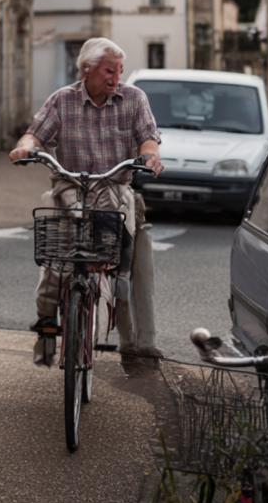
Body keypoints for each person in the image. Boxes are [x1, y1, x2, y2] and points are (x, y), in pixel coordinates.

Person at [9, 37, 164, 367]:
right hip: (69, 191)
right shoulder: (63, 101)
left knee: (123, 265)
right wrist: (25, 147)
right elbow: (34, 133)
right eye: (109, 71)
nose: (116, 78)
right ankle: (48, 329)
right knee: (55, 265)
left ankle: (133, 343)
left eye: (120, 71)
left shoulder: (134, 99)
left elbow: (148, 138)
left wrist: (149, 157)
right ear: (86, 70)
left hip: (114, 191)